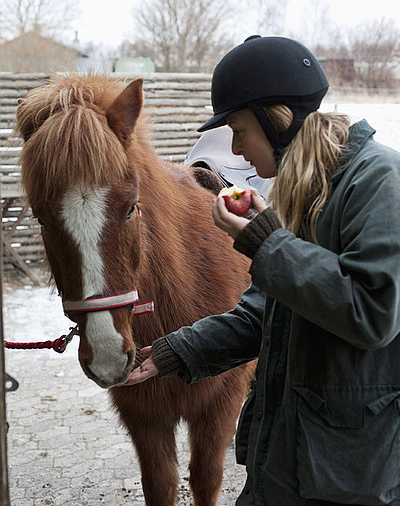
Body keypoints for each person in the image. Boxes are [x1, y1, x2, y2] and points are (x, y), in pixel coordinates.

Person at [123, 35, 400, 506]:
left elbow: (372, 311)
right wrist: (172, 353)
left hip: (351, 474)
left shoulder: (378, 182)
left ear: (278, 118)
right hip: (286, 461)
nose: (235, 147)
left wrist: (264, 241)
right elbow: (264, 314)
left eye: (239, 129)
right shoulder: (304, 191)